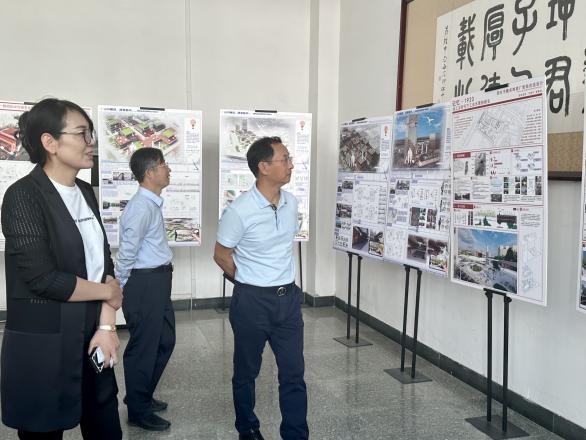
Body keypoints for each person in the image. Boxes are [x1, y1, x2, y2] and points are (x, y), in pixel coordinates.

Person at [1, 98, 123, 439]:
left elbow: (104, 262)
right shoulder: (23, 196)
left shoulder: (84, 191)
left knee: (105, 425)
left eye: (91, 134)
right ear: (50, 142)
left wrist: (107, 326)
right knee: (43, 430)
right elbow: (43, 279)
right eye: (82, 133)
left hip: (93, 336)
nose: (91, 142)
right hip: (45, 345)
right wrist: (109, 292)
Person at [214, 136, 309, 440]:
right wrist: (248, 280)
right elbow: (221, 255)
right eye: (285, 159)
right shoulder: (239, 210)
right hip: (252, 301)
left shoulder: (291, 202)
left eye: (289, 158)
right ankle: (248, 429)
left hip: (288, 300)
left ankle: (295, 434)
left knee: (293, 373)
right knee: (246, 372)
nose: (291, 165)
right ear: (264, 167)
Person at [115, 147, 175, 431]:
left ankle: (141, 395)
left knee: (165, 340)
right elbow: (127, 251)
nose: (168, 169)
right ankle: (138, 411)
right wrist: (119, 286)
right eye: (164, 165)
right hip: (144, 283)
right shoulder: (141, 207)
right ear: (150, 173)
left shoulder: (151, 204)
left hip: (157, 282)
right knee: (144, 347)